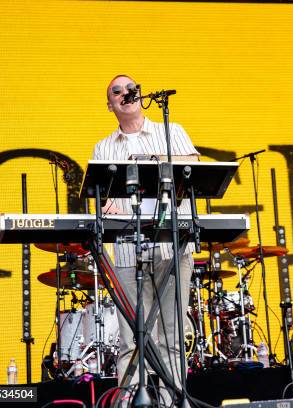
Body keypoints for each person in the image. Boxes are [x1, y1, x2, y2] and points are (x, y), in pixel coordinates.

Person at [92, 74, 199, 400]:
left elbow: (193, 167)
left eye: (131, 88)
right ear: (109, 105)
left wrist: (156, 161)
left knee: (172, 339)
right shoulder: (104, 147)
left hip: (173, 247)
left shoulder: (172, 131)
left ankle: (172, 403)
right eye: (117, 91)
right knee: (132, 342)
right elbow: (99, 197)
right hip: (127, 251)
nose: (126, 93)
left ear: (141, 94)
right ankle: (128, 403)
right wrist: (106, 206)